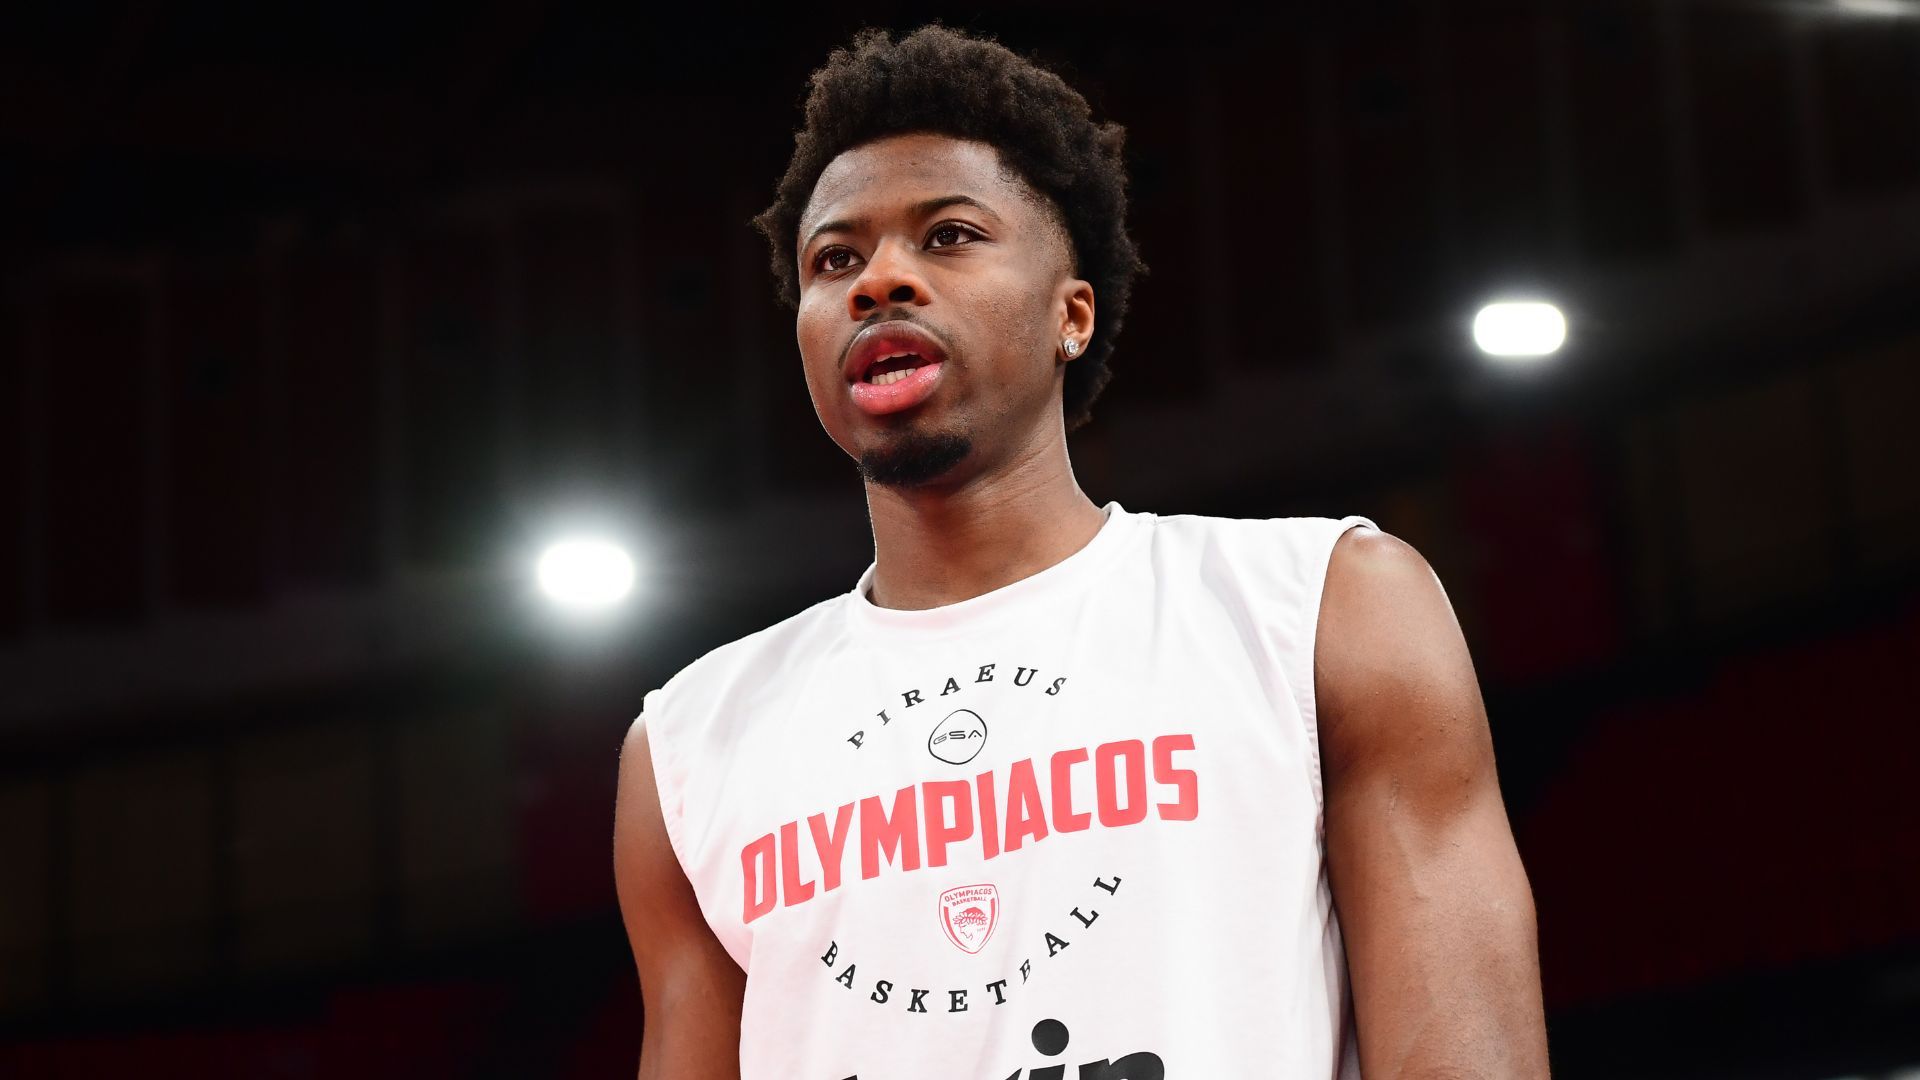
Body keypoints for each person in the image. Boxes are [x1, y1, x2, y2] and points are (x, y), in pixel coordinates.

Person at [613, 24, 1549, 1080]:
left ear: (1072, 314)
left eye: (949, 236)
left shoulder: (1323, 609)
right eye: (836, 260)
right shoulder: (690, 748)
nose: (880, 282)